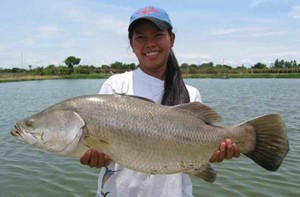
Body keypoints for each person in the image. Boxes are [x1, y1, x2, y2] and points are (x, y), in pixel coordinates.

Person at [80, 6, 240, 197]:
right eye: (140, 37)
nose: (150, 44)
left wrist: (213, 152)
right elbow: (102, 148)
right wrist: (95, 156)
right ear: (131, 44)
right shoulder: (115, 86)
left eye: (157, 35)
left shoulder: (190, 94)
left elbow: (198, 152)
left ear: (171, 39)